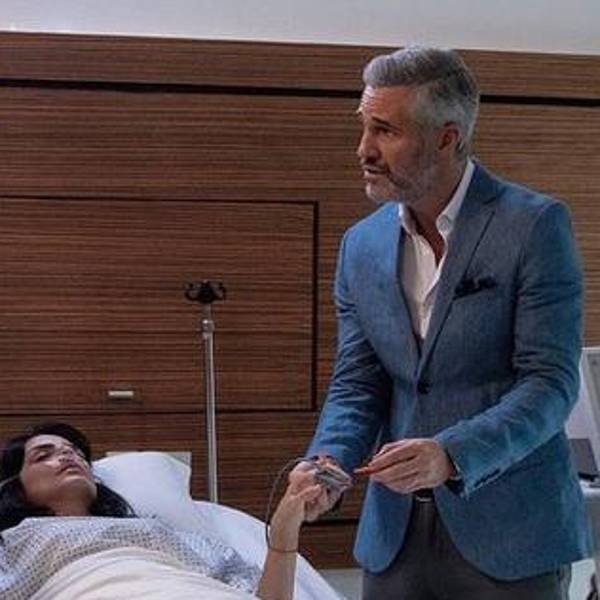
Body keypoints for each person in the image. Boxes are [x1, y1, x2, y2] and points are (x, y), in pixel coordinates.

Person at [290, 45, 592, 600]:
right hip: (394, 537)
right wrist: (328, 460)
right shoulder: (360, 246)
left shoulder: (534, 226)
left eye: (386, 131)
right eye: (364, 126)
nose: (364, 149)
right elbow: (358, 383)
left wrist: (452, 454)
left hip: (513, 534)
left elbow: (549, 384)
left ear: (446, 138)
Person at [0, 422, 325, 600]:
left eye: (76, 453)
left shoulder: (156, 531)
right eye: (44, 455)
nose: (69, 457)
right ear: (16, 485)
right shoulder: (16, 540)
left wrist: (283, 534)